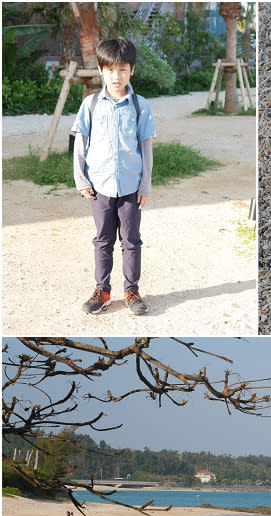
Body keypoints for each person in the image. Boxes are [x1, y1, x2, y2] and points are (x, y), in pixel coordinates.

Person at [72, 37, 157, 316]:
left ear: (132, 70)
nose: (116, 76)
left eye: (122, 69)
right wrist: (82, 180)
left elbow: (145, 145)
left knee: (132, 240)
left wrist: (145, 183)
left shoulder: (140, 105)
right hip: (100, 187)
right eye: (110, 69)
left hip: (132, 186)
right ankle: (102, 291)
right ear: (101, 69)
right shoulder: (91, 104)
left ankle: (132, 290)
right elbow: (80, 144)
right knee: (103, 240)